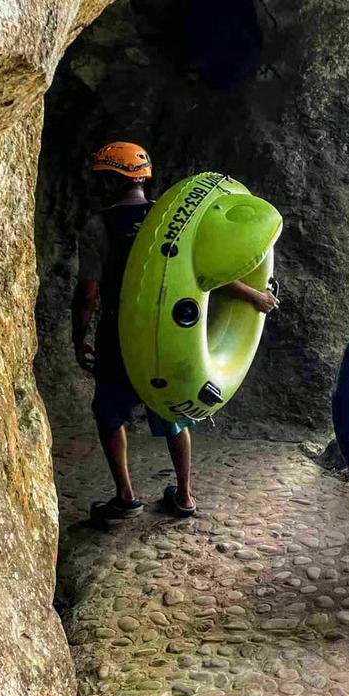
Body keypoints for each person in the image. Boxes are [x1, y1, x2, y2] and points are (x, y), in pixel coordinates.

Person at [72, 141, 278, 520]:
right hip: (167, 337)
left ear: (111, 179)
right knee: (174, 413)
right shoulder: (174, 221)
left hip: (119, 335)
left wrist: (78, 335)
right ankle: (184, 495)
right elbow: (208, 275)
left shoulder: (98, 226)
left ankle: (126, 496)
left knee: (109, 416)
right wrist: (254, 296)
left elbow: (88, 292)